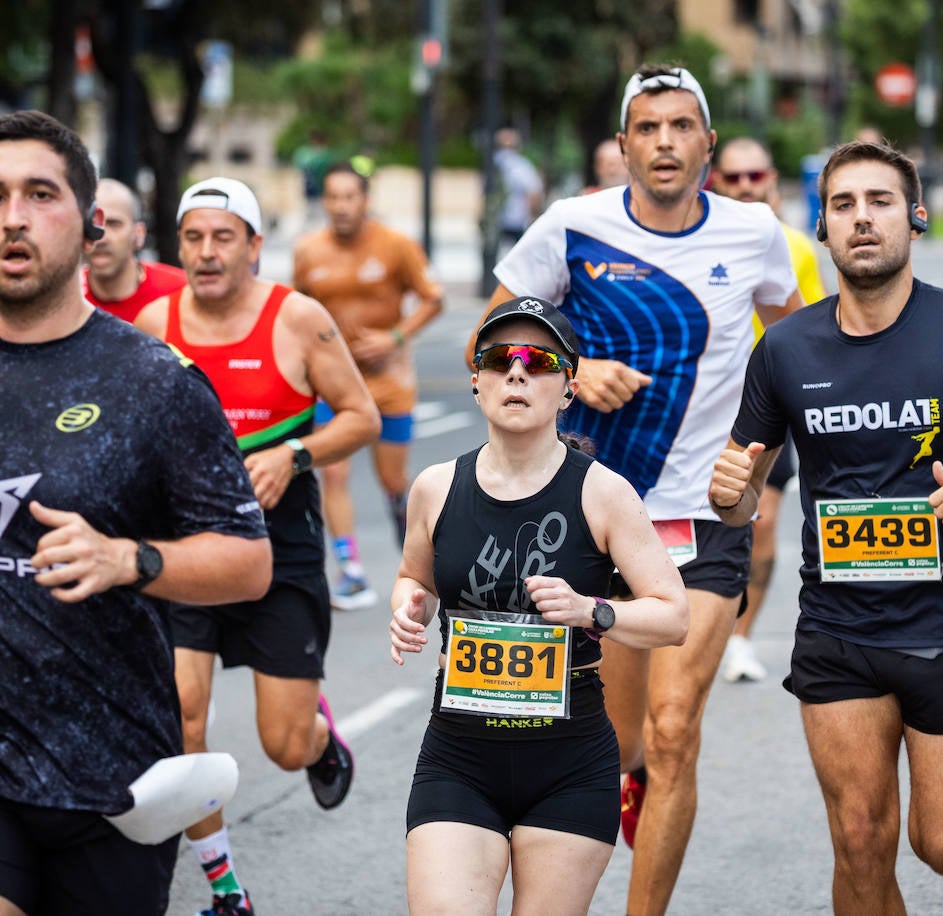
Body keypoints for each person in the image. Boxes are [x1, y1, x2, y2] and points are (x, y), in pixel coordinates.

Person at [0, 110, 273, 916]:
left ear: (92, 223)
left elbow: (247, 561)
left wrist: (131, 560)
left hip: (107, 772)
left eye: (41, 194)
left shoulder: (157, 380)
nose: (15, 216)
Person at [711, 139, 943, 913]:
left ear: (915, 219)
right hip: (837, 630)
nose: (862, 219)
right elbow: (745, 499)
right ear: (821, 228)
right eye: (843, 205)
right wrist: (732, 498)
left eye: (880, 201)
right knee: (858, 841)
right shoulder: (783, 349)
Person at [474, 64, 803, 916]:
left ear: (708, 143)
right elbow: (493, 337)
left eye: (681, 126)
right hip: (596, 520)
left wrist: (760, 459)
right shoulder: (570, 225)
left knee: (673, 730)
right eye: (647, 127)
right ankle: (630, 784)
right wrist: (572, 371)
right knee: (619, 743)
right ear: (623, 144)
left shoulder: (752, 232)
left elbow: (801, 349)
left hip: (706, 519)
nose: (664, 142)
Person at [391, 296, 688, 915]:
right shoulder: (435, 488)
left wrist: (592, 611)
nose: (517, 372)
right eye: (500, 359)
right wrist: (409, 610)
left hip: (570, 762)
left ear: (568, 386)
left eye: (539, 360)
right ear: (477, 382)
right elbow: (412, 580)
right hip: (458, 754)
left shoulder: (604, 493)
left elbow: (673, 615)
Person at [135, 176, 380, 916]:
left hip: (280, 547)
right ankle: (225, 889)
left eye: (223, 237)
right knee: (181, 717)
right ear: (179, 246)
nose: (206, 254)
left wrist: (293, 456)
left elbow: (361, 418)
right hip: (185, 547)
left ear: (253, 246)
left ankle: (321, 735)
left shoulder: (298, 318)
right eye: (193, 238)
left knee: (283, 744)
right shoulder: (154, 324)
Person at [293, 162, 444, 609]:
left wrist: (394, 337)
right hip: (332, 383)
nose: (341, 206)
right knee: (332, 472)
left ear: (365, 200)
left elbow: (435, 299)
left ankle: (415, 553)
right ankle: (351, 571)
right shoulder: (308, 250)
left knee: (393, 480)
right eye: (333, 197)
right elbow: (295, 308)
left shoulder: (396, 246)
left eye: (350, 197)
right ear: (324, 202)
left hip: (389, 382)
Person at [709, 135, 828, 683]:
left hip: (770, 411)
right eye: (733, 178)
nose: (745, 188)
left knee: (762, 521)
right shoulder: (702, 243)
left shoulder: (796, 247)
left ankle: (740, 637)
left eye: (755, 177)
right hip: (707, 414)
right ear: (715, 182)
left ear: (773, 183)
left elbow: (811, 332)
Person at [81, 177, 186, 322]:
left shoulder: (180, 292)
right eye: (93, 224)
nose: (101, 238)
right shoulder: (61, 297)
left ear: (139, 234)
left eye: (114, 224)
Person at [494, 127, 544, 247]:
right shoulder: (522, 166)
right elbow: (534, 192)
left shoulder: (492, 164)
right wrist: (534, 216)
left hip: (505, 220)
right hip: (516, 220)